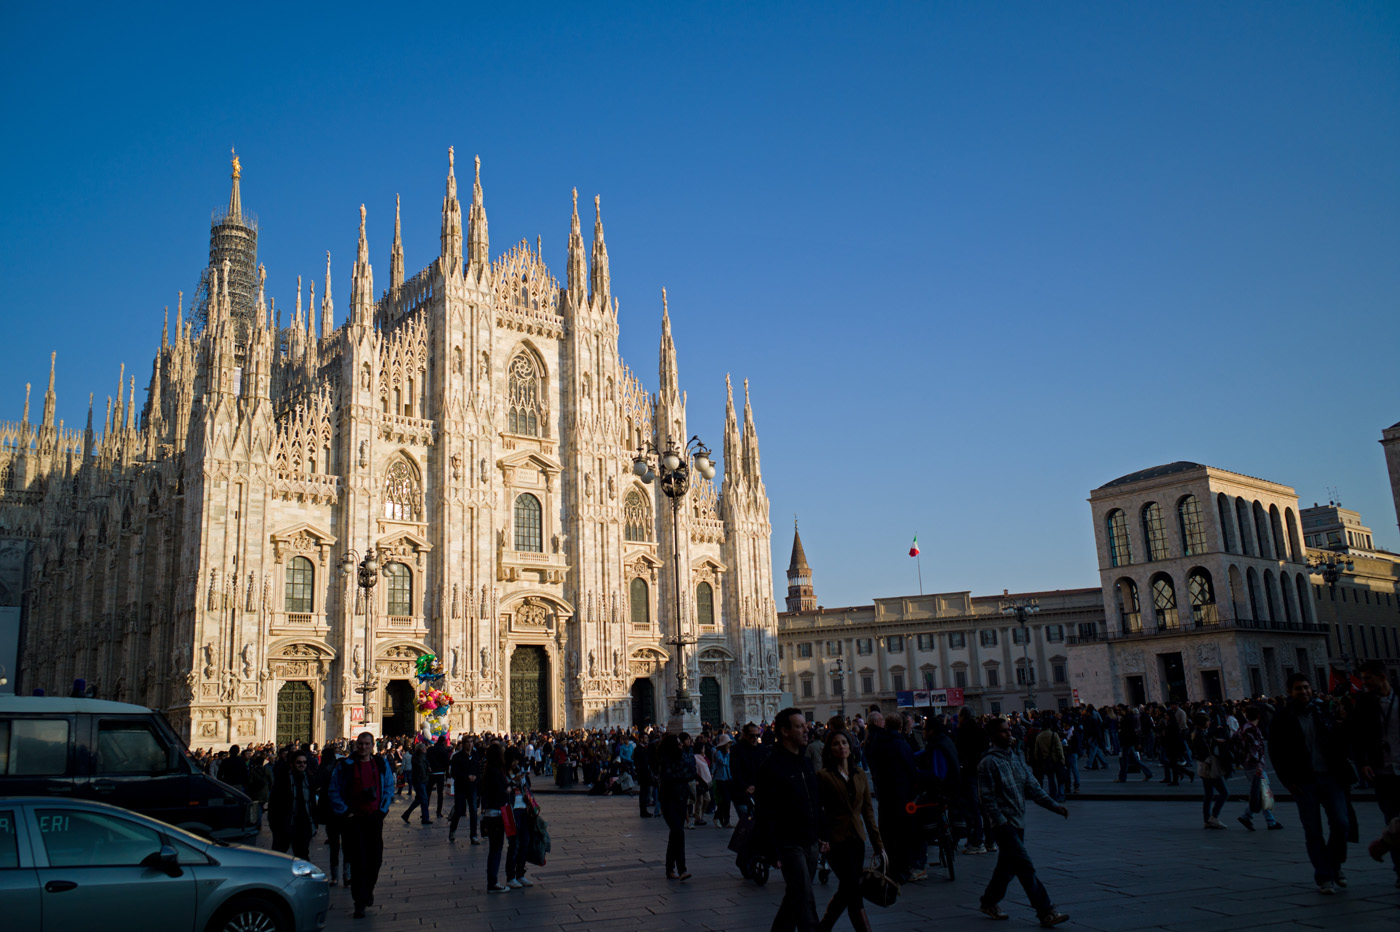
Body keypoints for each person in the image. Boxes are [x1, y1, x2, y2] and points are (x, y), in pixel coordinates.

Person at [976, 717, 1070, 928]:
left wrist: (1054, 806)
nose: (1009, 734)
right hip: (1004, 826)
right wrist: (1000, 822)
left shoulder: (1015, 758)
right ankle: (1045, 911)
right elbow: (987, 800)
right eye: (1003, 731)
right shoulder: (988, 764)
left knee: (1006, 869)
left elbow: (1033, 787)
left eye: (1008, 730)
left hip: (1018, 823)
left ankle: (988, 902)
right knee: (1025, 866)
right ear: (992, 737)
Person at [1268, 673, 1354, 894]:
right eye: (1298, 688)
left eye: (1306, 687)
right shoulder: (1282, 718)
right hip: (1304, 781)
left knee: (1341, 824)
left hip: (1330, 777)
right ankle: (1324, 876)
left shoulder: (1323, 711)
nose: (1303, 691)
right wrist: (1287, 781)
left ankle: (1335, 865)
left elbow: (1340, 743)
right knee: (1313, 831)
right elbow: (1276, 752)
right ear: (1290, 691)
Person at [756, 708, 829, 932]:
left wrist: (822, 835)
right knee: (805, 899)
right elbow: (765, 811)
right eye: (799, 726)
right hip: (789, 844)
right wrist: (771, 849)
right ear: (785, 732)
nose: (806, 730)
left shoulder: (805, 762)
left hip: (810, 841)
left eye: (805, 726)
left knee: (794, 897)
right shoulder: (772, 766)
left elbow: (815, 802)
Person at [816, 730, 882, 932]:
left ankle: (823, 928)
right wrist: (821, 838)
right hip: (836, 841)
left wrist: (878, 843)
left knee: (847, 889)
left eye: (844, 742)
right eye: (836, 744)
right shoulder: (823, 776)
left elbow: (868, 811)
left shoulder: (860, 774)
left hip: (857, 840)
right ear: (830, 749)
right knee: (853, 889)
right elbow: (817, 810)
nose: (841, 746)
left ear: (850, 746)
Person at [329, 732, 396, 919]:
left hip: (374, 818)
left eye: (367, 744)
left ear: (373, 745)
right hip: (354, 819)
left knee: (376, 860)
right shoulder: (345, 766)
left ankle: (368, 890)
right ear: (355, 744)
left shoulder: (380, 764)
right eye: (360, 743)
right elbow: (334, 790)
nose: (363, 747)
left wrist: (382, 810)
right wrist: (345, 812)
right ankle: (359, 901)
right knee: (358, 861)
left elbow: (389, 786)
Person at [1355, 659, 1400, 889]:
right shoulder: (1364, 702)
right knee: (1391, 818)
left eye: (1367, 679)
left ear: (1382, 676)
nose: (1364, 684)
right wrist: (1363, 762)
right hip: (1383, 771)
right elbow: (1358, 735)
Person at [865, 711, 923, 882]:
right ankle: (903, 868)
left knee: (888, 831)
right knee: (903, 831)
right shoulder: (900, 744)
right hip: (901, 793)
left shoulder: (875, 742)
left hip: (883, 791)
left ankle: (889, 863)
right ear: (899, 727)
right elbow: (910, 768)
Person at [1236, 705, 1282, 832]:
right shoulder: (1252, 730)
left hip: (1248, 765)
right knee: (1264, 791)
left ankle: (1252, 816)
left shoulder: (1242, 728)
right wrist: (1258, 765)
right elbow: (1254, 749)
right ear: (1259, 716)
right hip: (1255, 766)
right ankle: (1266, 821)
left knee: (1260, 791)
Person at [657, 732, 696, 879]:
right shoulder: (665, 760)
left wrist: (681, 775)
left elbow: (692, 771)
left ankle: (669, 869)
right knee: (678, 832)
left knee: (675, 834)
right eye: (679, 743)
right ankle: (682, 870)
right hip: (668, 801)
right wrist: (683, 775)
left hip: (681, 799)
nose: (681, 745)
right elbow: (671, 776)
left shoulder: (684, 756)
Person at [268, 748, 317, 858]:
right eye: (299, 762)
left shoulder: (309, 779)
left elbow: (311, 802)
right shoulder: (283, 779)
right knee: (278, 856)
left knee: (303, 857)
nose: (302, 765)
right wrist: (274, 825)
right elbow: (273, 803)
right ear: (292, 764)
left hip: (303, 825)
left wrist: (314, 823)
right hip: (285, 824)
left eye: (304, 762)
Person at [956, 708, 991, 855]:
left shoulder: (963, 731)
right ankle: (990, 841)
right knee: (985, 807)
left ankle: (977, 841)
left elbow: (959, 751)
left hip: (969, 771)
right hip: (982, 771)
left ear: (963, 717)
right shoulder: (981, 729)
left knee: (973, 807)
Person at [315, 746, 350, 887]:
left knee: (335, 847)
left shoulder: (322, 771)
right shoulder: (337, 776)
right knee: (346, 847)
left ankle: (335, 877)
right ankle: (346, 876)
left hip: (331, 815)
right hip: (342, 814)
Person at [1191, 711, 1230, 829]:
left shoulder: (1198, 733)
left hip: (1202, 767)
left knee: (1208, 794)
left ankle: (1207, 820)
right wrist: (1214, 742)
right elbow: (1205, 751)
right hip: (1209, 767)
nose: (1210, 722)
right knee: (1224, 792)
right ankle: (1214, 817)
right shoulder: (1199, 735)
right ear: (1203, 723)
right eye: (1208, 721)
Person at [480, 742, 511, 892]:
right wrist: (509, 789)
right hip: (497, 814)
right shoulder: (495, 771)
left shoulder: (489, 770)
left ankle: (492, 881)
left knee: (495, 849)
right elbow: (500, 791)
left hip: (492, 813)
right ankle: (493, 882)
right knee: (496, 849)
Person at [504, 747, 534, 888]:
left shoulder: (519, 771)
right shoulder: (503, 773)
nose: (516, 763)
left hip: (523, 809)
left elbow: (527, 788)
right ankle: (511, 877)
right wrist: (512, 782)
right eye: (514, 760)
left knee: (525, 842)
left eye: (517, 760)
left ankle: (520, 874)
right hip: (511, 811)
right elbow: (502, 790)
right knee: (514, 844)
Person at [449, 735, 482, 843]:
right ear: (463, 744)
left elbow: (479, 770)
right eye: (467, 742)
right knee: (459, 810)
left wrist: (476, 778)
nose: (470, 744)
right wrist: (466, 777)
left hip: (472, 788)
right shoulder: (457, 757)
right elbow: (453, 773)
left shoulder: (476, 755)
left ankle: (473, 835)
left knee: (473, 811)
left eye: (471, 742)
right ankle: (452, 829)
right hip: (461, 787)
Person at [401, 742, 432, 824]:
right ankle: (425, 818)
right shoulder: (419, 757)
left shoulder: (419, 756)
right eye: (424, 748)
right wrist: (427, 770)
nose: (426, 749)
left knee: (419, 800)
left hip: (420, 780)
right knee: (424, 799)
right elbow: (421, 768)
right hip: (420, 780)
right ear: (421, 749)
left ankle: (406, 814)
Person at [711, 733, 734, 828]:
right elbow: (723, 763)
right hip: (720, 779)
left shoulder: (727, 753)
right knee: (723, 800)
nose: (730, 745)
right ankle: (717, 817)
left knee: (727, 801)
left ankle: (726, 820)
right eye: (728, 743)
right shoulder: (718, 753)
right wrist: (727, 755)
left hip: (728, 778)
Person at [427, 734, 451, 818]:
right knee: (440, 794)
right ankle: (438, 812)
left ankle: (425, 811)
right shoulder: (444, 750)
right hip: (440, 773)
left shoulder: (430, 749)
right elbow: (447, 763)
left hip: (431, 773)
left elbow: (427, 760)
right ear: (444, 741)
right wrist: (446, 772)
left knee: (428, 793)